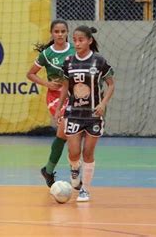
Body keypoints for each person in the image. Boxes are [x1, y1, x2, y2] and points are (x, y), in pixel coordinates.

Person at [55, 25, 115, 202]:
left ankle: (85, 190)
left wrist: (103, 104)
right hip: (74, 113)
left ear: (89, 41)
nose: (77, 43)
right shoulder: (69, 61)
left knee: (88, 153)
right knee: (74, 152)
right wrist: (59, 107)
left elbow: (111, 84)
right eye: (75, 40)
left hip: (93, 114)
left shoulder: (99, 61)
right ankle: (74, 170)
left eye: (81, 40)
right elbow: (65, 87)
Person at [27, 19, 75, 187]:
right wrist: (47, 84)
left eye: (63, 31)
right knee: (70, 133)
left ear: (67, 32)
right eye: (57, 31)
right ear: (52, 33)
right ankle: (74, 176)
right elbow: (30, 74)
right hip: (56, 98)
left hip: (74, 97)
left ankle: (48, 170)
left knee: (64, 135)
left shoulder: (75, 49)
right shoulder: (47, 54)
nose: (60, 34)